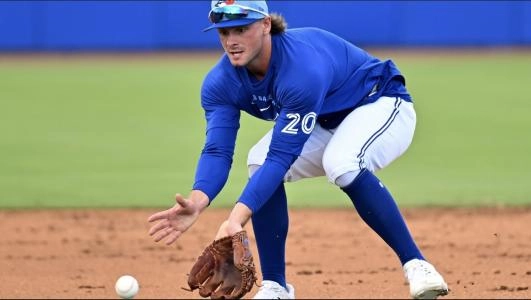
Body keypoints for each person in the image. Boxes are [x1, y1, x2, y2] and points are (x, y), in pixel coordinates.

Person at [147, 0, 449, 299]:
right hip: (323, 120)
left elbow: (281, 157)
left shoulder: (301, 67)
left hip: (381, 104)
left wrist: (235, 220)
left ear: (266, 24)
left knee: (341, 163)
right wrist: (198, 200)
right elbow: (217, 150)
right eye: (223, 32)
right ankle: (276, 287)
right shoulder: (220, 82)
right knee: (257, 161)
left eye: (241, 28)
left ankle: (417, 265)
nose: (231, 40)